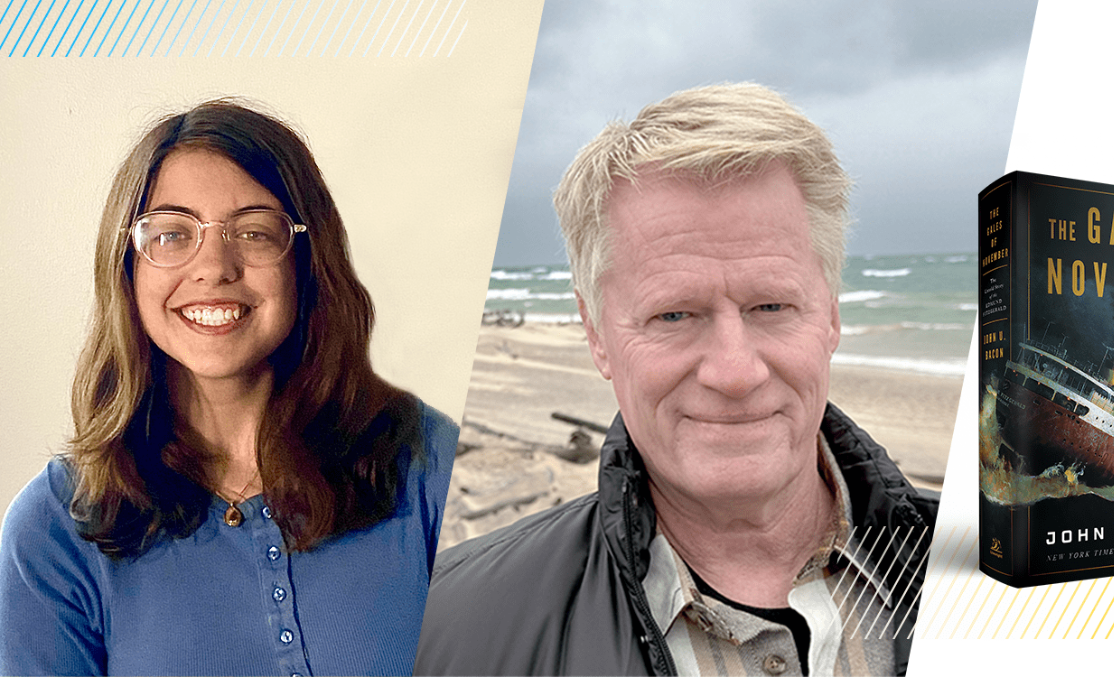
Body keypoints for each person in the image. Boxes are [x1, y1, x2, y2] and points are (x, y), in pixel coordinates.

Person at [415, 83, 937, 676]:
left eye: (770, 306)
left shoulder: (1019, 583)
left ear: (832, 315)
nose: (735, 372)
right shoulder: (446, 632)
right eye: (674, 315)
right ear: (597, 334)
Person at [0, 100, 457, 676]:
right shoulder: (55, 529)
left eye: (255, 231)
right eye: (170, 234)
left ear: (307, 263)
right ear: (127, 268)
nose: (214, 266)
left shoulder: (428, 465)